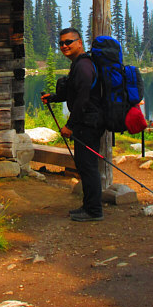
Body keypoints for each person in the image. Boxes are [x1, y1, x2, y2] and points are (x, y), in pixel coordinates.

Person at [41, 28, 105, 221]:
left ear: (79, 42)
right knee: (85, 165)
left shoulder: (84, 66)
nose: (64, 46)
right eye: (61, 43)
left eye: (69, 42)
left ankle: (94, 211)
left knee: (88, 166)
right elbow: (74, 92)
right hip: (87, 122)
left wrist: (70, 125)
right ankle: (88, 206)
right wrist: (53, 97)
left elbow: (83, 99)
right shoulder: (80, 64)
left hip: (89, 124)